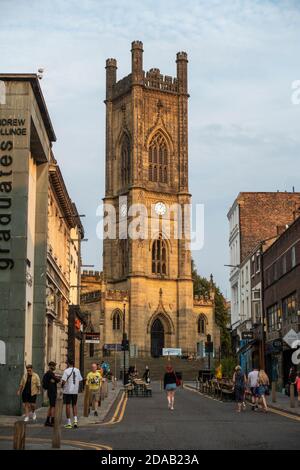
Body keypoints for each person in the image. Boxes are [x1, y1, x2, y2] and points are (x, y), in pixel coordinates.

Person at [61, 359, 83, 429]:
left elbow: (63, 381)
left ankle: (69, 423)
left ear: (68, 363)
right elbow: (80, 380)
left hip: (67, 391)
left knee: (67, 405)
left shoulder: (66, 371)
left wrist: (62, 386)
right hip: (75, 391)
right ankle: (75, 421)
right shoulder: (77, 370)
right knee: (74, 405)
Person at [42, 361, 60, 426]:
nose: (54, 367)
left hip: (50, 391)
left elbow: (55, 380)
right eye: (53, 366)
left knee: (51, 406)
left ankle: (47, 421)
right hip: (52, 391)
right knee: (53, 407)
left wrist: (54, 380)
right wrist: (56, 379)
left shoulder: (48, 373)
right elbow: (57, 380)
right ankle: (52, 421)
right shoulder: (50, 373)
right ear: (50, 366)